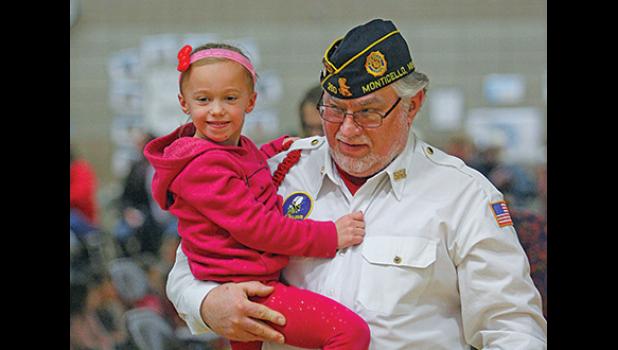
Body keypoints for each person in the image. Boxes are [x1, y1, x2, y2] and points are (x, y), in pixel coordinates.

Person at [164, 20, 547, 349]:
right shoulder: (278, 171)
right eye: (333, 109)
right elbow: (189, 266)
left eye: (368, 112)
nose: (347, 130)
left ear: (413, 105)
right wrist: (207, 303)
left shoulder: (461, 195)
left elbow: (509, 326)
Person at [144, 43, 370, 350]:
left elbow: (243, 171)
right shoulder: (202, 166)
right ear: (184, 103)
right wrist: (330, 235)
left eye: (230, 98)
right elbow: (258, 227)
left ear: (251, 101)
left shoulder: (229, 149)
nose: (217, 109)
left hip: (245, 279)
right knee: (349, 332)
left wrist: (275, 149)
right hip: (249, 287)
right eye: (203, 99)